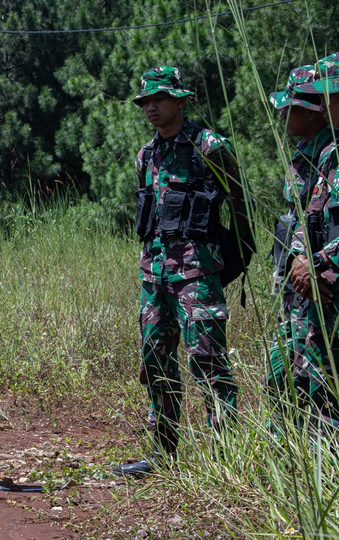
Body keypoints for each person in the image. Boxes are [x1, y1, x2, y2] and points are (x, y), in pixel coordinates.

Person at [114, 67, 250, 477]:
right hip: (154, 275)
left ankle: (226, 457)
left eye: (159, 99)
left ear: (180, 100)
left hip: (197, 273)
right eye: (145, 102)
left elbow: (240, 206)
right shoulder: (146, 155)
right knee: (155, 359)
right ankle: (163, 454)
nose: (151, 107)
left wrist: (234, 262)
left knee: (207, 360)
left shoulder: (209, 146)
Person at [265, 66, 331, 414]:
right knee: (283, 372)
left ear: (312, 111)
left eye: (289, 108)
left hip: (321, 285)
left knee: (320, 383)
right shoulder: (305, 153)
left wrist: (318, 264)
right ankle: (286, 454)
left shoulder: (331, 154)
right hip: (295, 286)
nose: (282, 115)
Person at [290, 53, 339, 428]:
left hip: (327, 282)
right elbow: (312, 219)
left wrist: (318, 262)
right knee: (317, 388)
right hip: (321, 290)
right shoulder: (328, 155)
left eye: (331, 95)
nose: (324, 105)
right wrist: (302, 260)